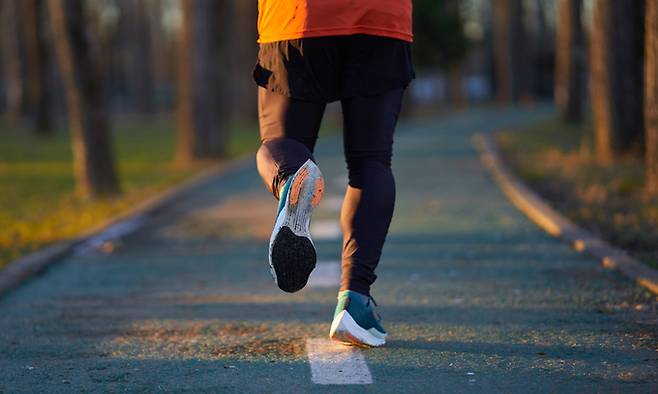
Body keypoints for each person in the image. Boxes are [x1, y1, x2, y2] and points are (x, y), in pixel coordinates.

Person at [254, 0, 414, 347]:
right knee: (371, 162)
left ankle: (292, 177)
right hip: (380, 19)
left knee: (280, 144)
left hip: (296, 18)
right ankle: (354, 302)